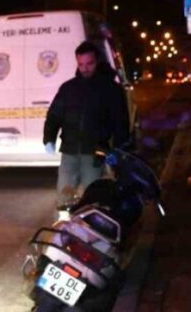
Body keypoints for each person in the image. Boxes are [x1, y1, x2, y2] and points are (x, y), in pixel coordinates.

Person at [43, 41, 131, 208]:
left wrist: (118, 151)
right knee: (64, 199)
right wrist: (49, 138)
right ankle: (65, 229)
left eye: (89, 63)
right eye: (81, 64)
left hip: (95, 154)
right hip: (69, 153)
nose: (85, 68)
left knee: (92, 199)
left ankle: (88, 231)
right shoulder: (69, 88)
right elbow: (54, 115)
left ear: (97, 61)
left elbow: (120, 123)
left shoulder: (110, 89)